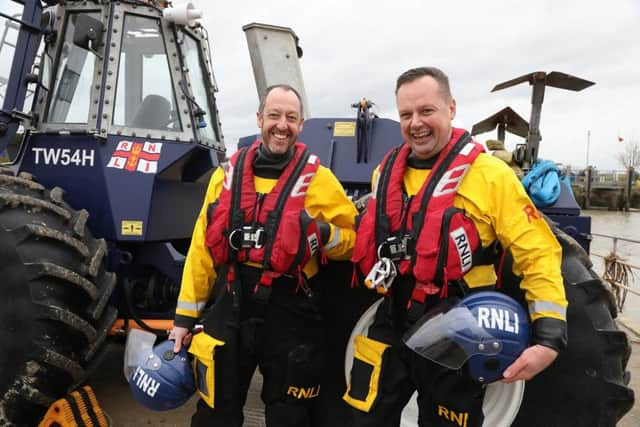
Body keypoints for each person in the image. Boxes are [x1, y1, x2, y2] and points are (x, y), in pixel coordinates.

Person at [344, 67, 568, 427]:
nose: (416, 123)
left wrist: (549, 335)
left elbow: (538, 252)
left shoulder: (491, 176)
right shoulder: (384, 173)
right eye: (406, 114)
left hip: (457, 329)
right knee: (363, 416)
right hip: (391, 317)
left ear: (450, 108)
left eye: (426, 111)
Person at [169, 84, 358, 427]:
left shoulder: (321, 181)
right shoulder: (224, 177)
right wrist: (183, 319)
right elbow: (201, 249)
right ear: (260, 118)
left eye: (290, 117)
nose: (281, 125)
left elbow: (354, 242)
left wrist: (325, 235)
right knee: (214, 412)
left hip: (291, 311)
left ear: (301, 124)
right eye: (274, 115)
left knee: (290, 415)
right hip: (230, 302)